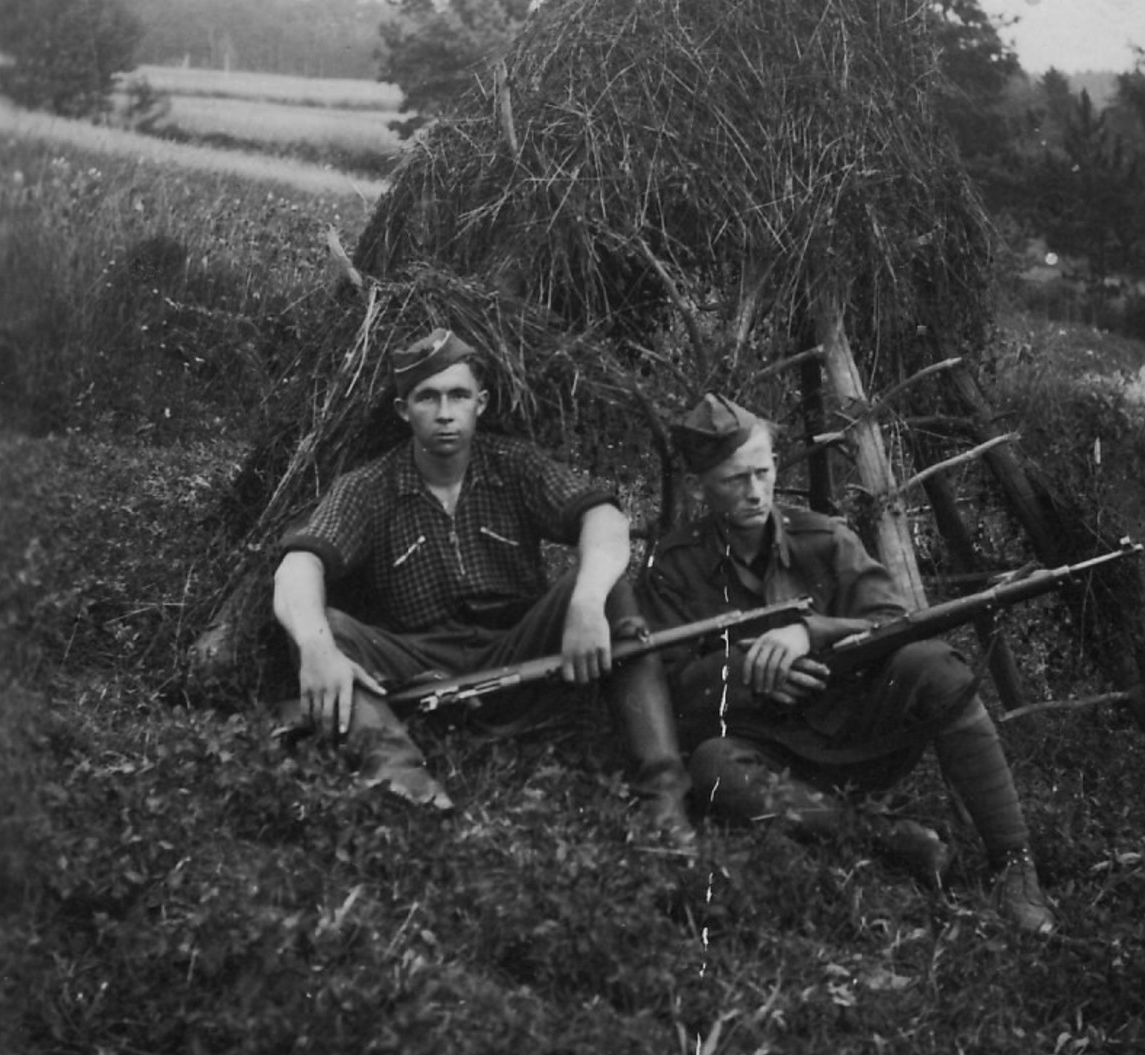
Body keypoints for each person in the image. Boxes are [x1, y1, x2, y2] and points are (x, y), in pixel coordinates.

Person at [641, 393, 1057, 934]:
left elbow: (893, 621)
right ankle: (883, 835)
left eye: (763, 473)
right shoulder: (674, 568)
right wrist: (746, 669)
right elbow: (665, 688)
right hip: (766, 751)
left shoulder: (824, 539)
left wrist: (807, 633)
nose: (755, 492)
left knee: (936, 666)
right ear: (701, 487)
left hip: (855, 731)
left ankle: (1015, 863)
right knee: (713, 768)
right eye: (734, 480)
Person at [272, 327, 694, 849]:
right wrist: (316, 647)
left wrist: (585, 603)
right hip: (420, 666)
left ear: (481, 403)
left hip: (521, 652)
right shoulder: (369, 486)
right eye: (427, 398)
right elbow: (299, 564)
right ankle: (402, 780)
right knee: (325, 628)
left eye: (458, 396)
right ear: (404, 410)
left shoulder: (514, 464)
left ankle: (664, 800)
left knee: (608, 590)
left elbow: (603, 517)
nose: (445, 413)